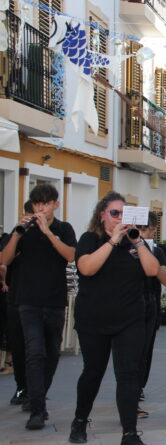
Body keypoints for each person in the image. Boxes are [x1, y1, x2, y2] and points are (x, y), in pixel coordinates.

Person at [68, 192, 159, 445]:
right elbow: (86, 268)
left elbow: (152, 271)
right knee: (93, 373)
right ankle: (80, 421)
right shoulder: (89, 240)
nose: (120, 218)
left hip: (130, 319)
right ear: (102, 215)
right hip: (94, 320)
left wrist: (138, 242)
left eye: (124, 214)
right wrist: (113, 240)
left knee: (129, 375)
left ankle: (129, 436)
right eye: (114, 213)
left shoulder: (134, 243)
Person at [0, 184, 76, 430]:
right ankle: (38, 408)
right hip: (27, 301)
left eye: (45, 203)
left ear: (56, 204)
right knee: (35, 352)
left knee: (51, 354)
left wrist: (48, 233)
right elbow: (4, 260)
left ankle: (38, 395)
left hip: (54, 301)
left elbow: (70, 256)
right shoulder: (22, 230)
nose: (41, 208)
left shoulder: (64, 229)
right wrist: (17, 234)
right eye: (37, 204)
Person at [136, 212, 166, 419]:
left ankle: (139, 387)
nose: (144, 233)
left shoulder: (159, 250)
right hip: (130, 306)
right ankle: (131, 389)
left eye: (147, 230)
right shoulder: (126, 247)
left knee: (146, 350)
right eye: (140, 229)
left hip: (150, 305)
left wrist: (148, 254)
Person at [1, 201, 34, 404]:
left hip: (38, 300)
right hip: (15, 299)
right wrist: (17, 234)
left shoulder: (52, 235)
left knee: (36, 347)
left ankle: (35, 389)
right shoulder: (13, 235)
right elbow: (4, 261)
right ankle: (22, 385)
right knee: (18, 345)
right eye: (29, 213)